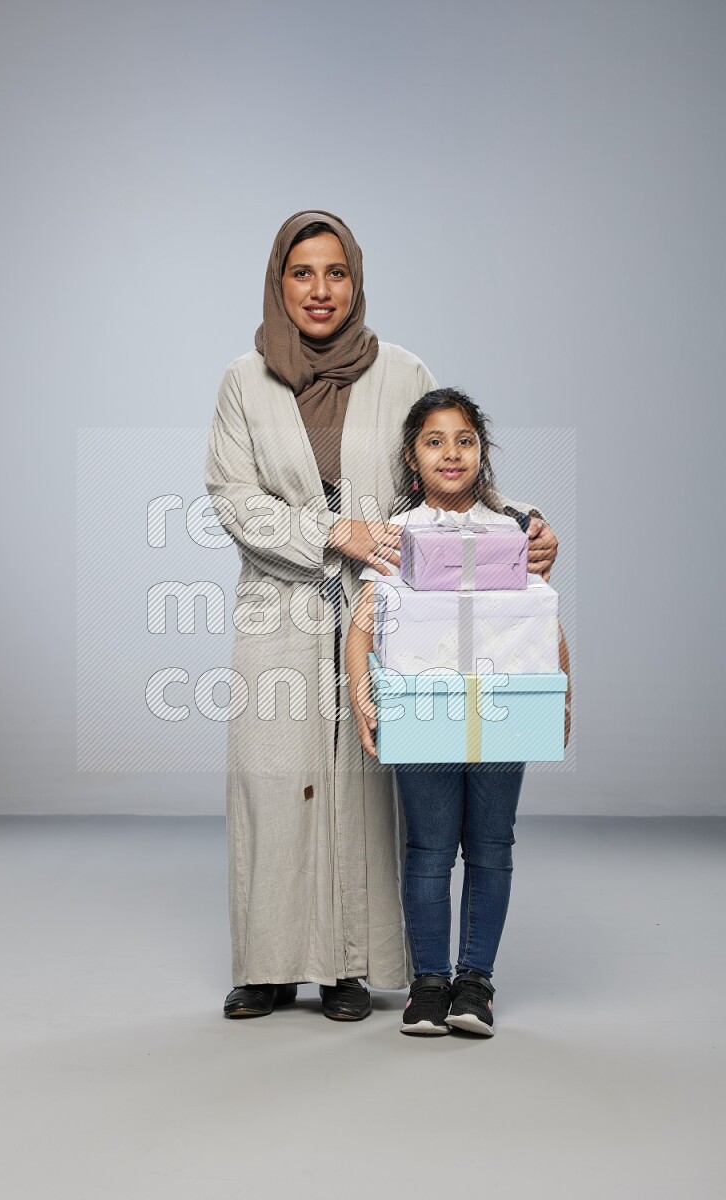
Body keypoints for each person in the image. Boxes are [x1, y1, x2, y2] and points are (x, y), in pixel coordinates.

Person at [204, 211, 559, 1021]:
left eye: (337, 273)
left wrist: (527, 524)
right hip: (282, 605)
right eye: (303, 273)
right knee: (270, 779)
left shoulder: (400, 371)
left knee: (365, 786)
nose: (321, 290)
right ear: (278, 282)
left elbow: (444, 472)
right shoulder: (242, 380)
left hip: (388, 605)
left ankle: (348, 969)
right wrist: (333, 530)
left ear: (357, 282)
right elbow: (231, 495)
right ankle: (266, 966)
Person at [345, 387, 572, 1036]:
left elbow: (539, 617)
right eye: (435, 440)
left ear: (483, 454)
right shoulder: (399, 534)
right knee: (428, 851)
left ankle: (476, 984)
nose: (452, 452)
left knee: (493, 847)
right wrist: (362, 690)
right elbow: (363, 626)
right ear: (413, 460)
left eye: (465, 440)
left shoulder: (512, 532)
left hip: (501, 708)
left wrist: (562, 686)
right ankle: (429, 985)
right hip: (425, 712)